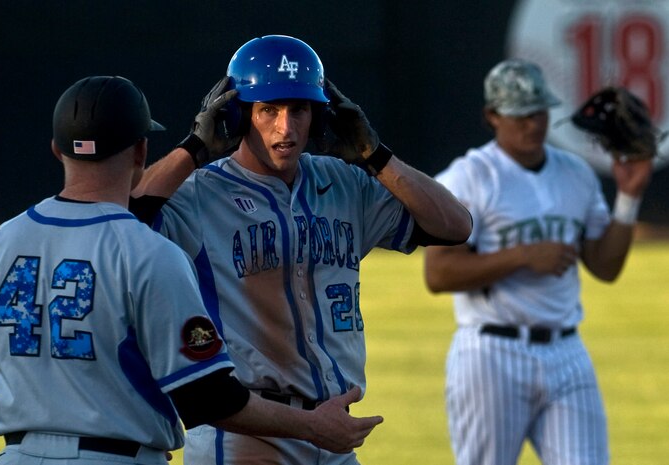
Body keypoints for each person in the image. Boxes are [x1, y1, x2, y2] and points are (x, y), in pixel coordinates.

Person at [0, 75, 384, 465]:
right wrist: (314, 427)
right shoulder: (149, 252)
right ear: (140, 151)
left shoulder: (0, 244)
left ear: (57, 150)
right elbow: (207, 397)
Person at [129, 34, 473, 464]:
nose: (286, 128)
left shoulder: (346, 183)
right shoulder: (200, 194)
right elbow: (122, 218)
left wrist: (376, 156)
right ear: (236, 115)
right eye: (268, 110)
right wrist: (194, 149)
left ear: (321, 115)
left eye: (299, 109)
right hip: (246, 431)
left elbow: (456, 226)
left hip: (334, 432)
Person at [423, 59, 654, 465]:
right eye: (520, 114)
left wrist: (629, 197)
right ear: (492, 115)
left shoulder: (575, 173)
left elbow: (606, 266)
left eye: (539, 112)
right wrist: (524, 255)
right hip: (491, 352)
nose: (532, 124)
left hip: (567, 351)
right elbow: (438, 273)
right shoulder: (468, 177)